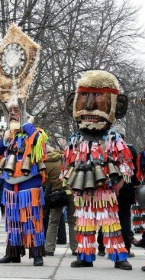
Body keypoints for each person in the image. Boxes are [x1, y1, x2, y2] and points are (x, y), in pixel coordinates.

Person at [63, 70, 134, 270]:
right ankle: (85, 256)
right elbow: (67, 164)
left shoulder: (114, 139)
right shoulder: (74, 140)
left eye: (98, 96)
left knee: (111, 223)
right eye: (84, 96)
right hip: (83, 191)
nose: (90, 105)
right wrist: (70, 181)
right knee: (84, 223)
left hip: (106, 191)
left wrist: (118, 181)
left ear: (117, 106)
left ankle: (119, 256)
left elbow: (125, 164)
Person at [0, 94, 48, 267]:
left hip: (29, 185)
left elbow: (39, 144)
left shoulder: (35, 132)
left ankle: (37, 254)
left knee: (32, 220)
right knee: (13, 221)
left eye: (16, 110)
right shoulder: (10, 137)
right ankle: (13, 253)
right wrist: (4, 139)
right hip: (10, 185)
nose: (12, 114)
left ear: (25, 113)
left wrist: (28, 124)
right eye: (10, 111)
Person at [96, 127, 139, 258]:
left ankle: (102, 246)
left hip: (110, 188)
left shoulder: (104, 149)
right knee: (124, 218)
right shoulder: (130, 149)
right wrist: (135, 184)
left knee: (107, 217)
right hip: (126, 187)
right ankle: (125, 247)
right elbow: (135, 170)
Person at [44, 147, 77, 257]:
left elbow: (46, 181)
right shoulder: (66, 158)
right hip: (70, 191)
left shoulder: (46, 163)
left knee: (53, 221)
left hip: (56, 194)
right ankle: (75, 248)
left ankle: (49, 248)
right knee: (72, 221)